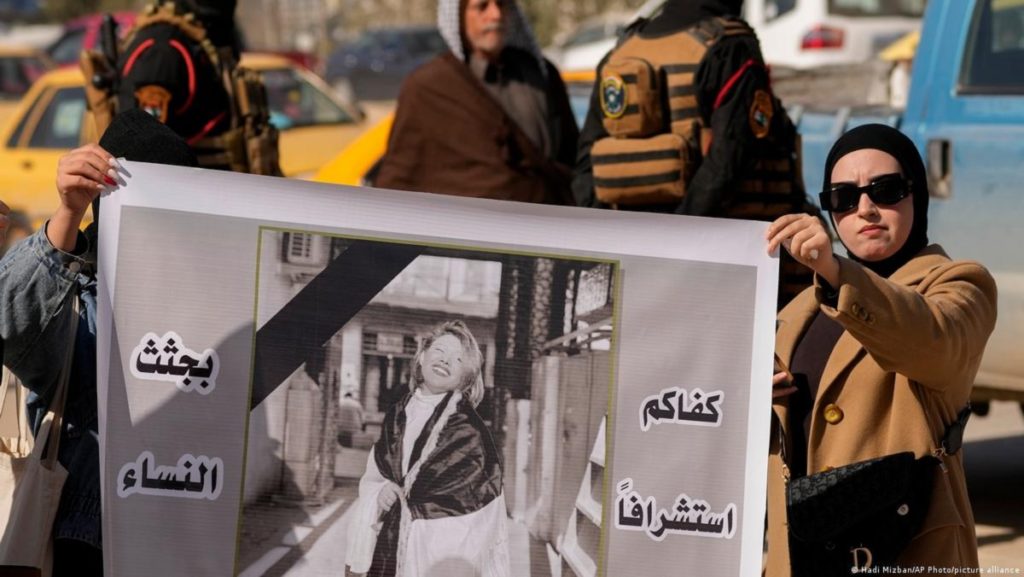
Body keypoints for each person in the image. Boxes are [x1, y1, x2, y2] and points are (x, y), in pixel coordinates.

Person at [763, 124, 997, 575]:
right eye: (844, 198)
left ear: (917, 195)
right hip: (805, 557)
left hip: (906, 550)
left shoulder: (959, 285)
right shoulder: (798, 312)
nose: (865, 209)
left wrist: (836, 272)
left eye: (886, 190)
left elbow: (933, 343)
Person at [0, 109, 199, 575]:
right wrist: (68, 212)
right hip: (84, 543)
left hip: (177, 539)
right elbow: (8, 318)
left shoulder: (203, 301)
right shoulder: (81, 298)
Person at [573, 0, 811, 307]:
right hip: (724, 265)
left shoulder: (623, 50)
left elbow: (585, 170)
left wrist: (625, 248)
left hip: (636, 265)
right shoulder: (730, 45)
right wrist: (676, 246)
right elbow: (730, 160)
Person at [373, 0, 578, 204]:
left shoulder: (539, 74)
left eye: (501, 4)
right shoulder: (428, 87)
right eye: (482, 6)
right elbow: (400, 177)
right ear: (458, 16)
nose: (495, 15)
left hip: (551, 219)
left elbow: (572, 156)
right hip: (469, 223)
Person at [346, 320, 509, 577]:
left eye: (457, 359)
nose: (445, 360)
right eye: (439, 351)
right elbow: (375, 474)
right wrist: (381, 492)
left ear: (465, 376)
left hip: (433, 559)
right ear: (422, 357)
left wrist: (420, 522)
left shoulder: (469, 430)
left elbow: (480, 514)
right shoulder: (398, 413)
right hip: (387, 546)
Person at [81, 0, 280, 175]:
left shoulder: (198, 40)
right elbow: (142, 155)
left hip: (226, 195)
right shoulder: (164, 50)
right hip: (194, 199)